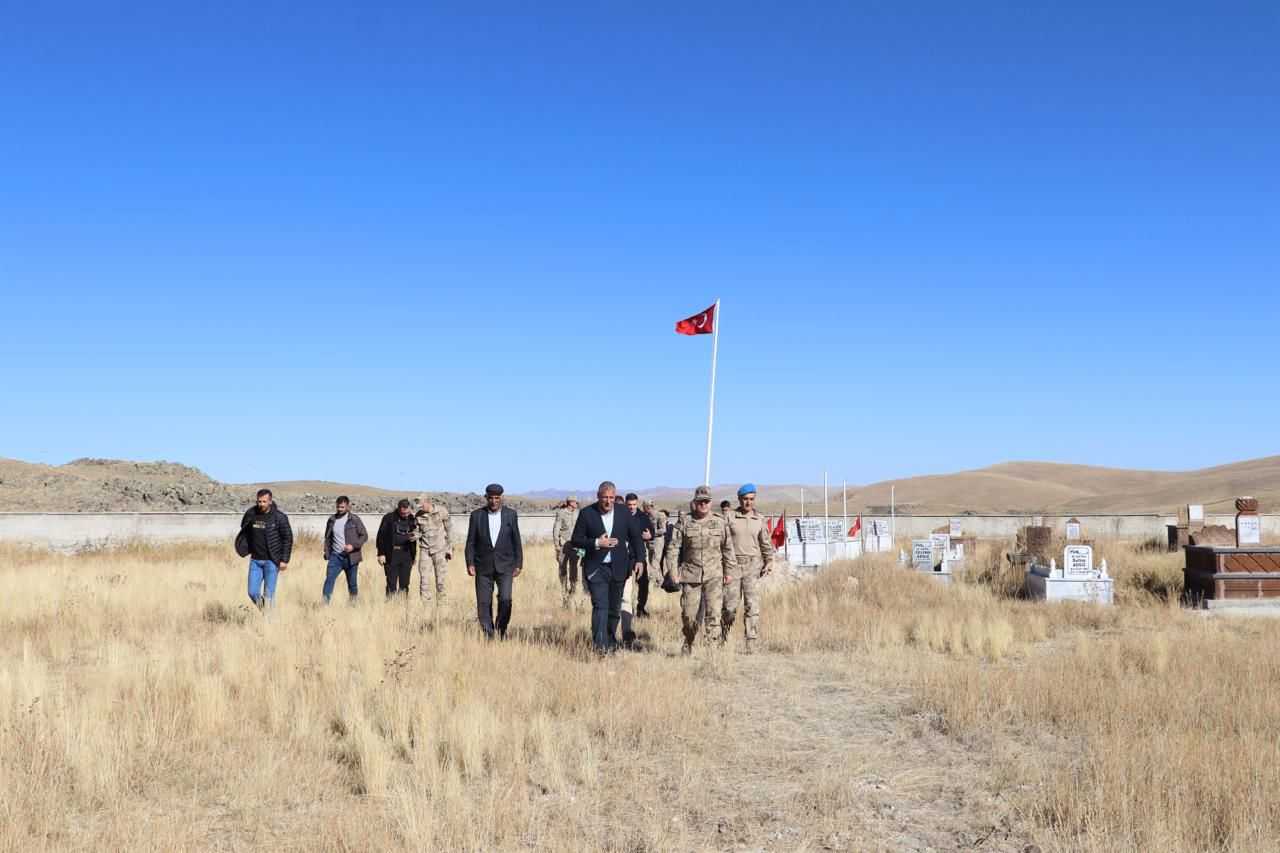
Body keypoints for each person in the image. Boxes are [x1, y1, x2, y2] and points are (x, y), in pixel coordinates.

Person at [570, 481, 646, 654]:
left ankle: (610, 641)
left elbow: (635, 537)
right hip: (597, 568)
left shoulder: (624, 512)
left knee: (614, 609)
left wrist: (640, 560)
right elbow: (576, 539)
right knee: (600, 607)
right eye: (605, 497)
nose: (608, 501)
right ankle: (600, 646)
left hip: (619, 567)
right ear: (598, 497)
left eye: (611, 498)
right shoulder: (587, 513)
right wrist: (597, 542)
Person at [663, 485, 737, 653]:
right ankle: (689, 640)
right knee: (689, 616)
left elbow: (728, 548)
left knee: (714, 614)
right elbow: (673, 549)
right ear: (694, 502)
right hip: (691, 576)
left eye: (706, 501)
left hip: (714, 575)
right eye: (700, 501)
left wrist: (729, 572)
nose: (703, 504)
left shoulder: (719, 522)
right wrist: (673, 573)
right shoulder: (685, 522)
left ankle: (712, 652)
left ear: (710, 503)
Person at [464, 483, 523, 639]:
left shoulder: (511, 515)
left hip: (506, 566)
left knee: (505, 600)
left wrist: (519, 564)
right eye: (491, 498)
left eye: (497, 498)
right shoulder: (477, 516)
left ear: (501, 498)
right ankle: (488, 634)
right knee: (483, 603)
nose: (494, 501)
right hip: (483, 566)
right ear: (486, 498)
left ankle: (501, 630)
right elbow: (470, 542)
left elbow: (516, 540)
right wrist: (470, 563)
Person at [724, 484, 776, 653]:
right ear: (739, 499)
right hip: (732, 566)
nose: (748, 502)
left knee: (752, 606)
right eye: (745, 499)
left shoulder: (759, 520)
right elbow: (721, 541)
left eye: (751, 499)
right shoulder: (729, 517)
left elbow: (766, 543)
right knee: (730, 606)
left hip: (752, 566)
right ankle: (722, 636)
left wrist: (769, 561)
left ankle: (751, 642)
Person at [235, 488, 293, 608]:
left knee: (269, 595)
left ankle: (269, 622)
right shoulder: (252, 514)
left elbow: (288, 538)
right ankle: (265, 610)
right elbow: (244, 529)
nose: (261, 504)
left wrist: (284, 560)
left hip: (272, 561)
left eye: (264, 501)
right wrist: (244, 547)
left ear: (270, 501)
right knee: (252, 592)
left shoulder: (279, 517)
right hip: (255, 561)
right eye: (259, 501)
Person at [619, 492, 654, 641]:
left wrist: (650, 535)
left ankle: (641, 607)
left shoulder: (642, 517)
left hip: (639, 556)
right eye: (629, 505)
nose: (632, 507)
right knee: (625, 586)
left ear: (637, 504)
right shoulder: (621, 516)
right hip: (625, 557)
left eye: (634, 505)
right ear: (626, 504)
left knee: (643, 583)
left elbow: (650, 531)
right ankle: (625, 610)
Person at [322, 496, 368, 603]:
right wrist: (326, 552)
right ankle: (324, 604)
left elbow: (364, 536)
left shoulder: (355, 519)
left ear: (348, 506)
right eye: (338, 507)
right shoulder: (331, 520)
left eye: (342, 507)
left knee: (352, 583)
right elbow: (327, 537)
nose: (340, 509)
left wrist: (353, 546)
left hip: (351, 557)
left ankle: (353, 605)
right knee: (329, 579)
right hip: (335, 557)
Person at [414, 494, 453, 602]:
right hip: (425, 550)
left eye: (422, 506)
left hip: (440, 550)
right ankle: (425, 606)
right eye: (419, 507)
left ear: (427, 502)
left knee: (441, 581)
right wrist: (414, 536)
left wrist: (449, 549)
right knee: (424, 579)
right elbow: (418, 532)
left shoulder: (442, 511)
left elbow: (449, 531)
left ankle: (442, 605)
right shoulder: (418, 515)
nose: (420, 508)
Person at [376, 499, 418, 598]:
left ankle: (402, 606)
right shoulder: (389, 518)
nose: (405, 515)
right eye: (403, 513)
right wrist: (381, 554)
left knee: (405, 583)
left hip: (406, 554)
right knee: (391, 583)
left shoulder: (412, 518)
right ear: (399, 509)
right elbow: (381, 536)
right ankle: (391, 607)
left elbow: (415, 539)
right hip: (392, 554)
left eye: (407, 512)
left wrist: (413, 556)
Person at [551, 495, 581, 604]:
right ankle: (563, 589)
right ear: (570, 502)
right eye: (575, 502)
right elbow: (556, 529)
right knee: (562, 567)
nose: (577, 503)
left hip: (576, 545)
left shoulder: (578, 513)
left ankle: (572, 590)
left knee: (574, 567)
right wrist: (557, 545)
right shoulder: (561, 513)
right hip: (564, 545)